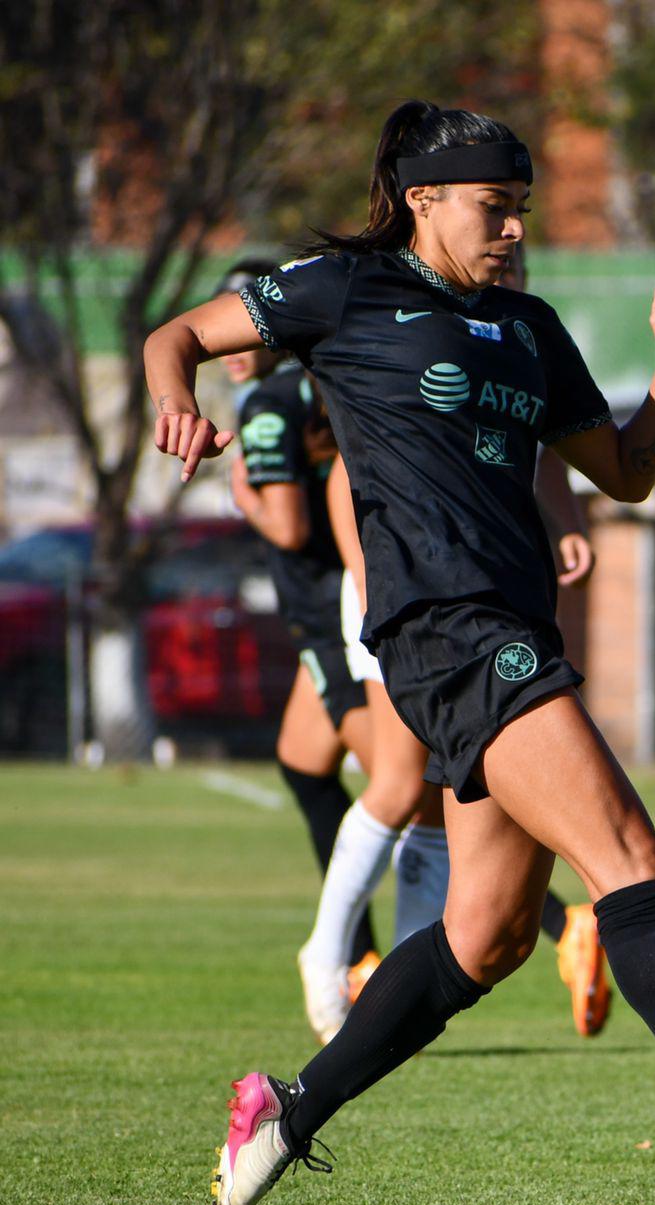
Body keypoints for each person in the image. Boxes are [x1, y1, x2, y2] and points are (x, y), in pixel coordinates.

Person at [144, 98, 655, 1205]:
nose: (514, 229)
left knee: (485, 937)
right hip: (446, 630)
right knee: (628, 853)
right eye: (495, 207)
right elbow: (172, 337)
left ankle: (284, 1111)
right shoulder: (341, 290)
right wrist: (174, 405)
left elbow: (626, 470)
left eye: (523, 210)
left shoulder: (529, 329)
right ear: (423, 200)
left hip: (513, 624)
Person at [299, 445, 609, 1043]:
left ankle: (401, 998)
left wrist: (567, 521)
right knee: (396, 783)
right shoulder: (414, 353)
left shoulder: (527, 348)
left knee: (435, 791)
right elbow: (348, 466)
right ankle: (325, 955)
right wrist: (369, 581)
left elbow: (547, 436)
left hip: (482, 587)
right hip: (400, 583)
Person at [219, 259, 381, 985]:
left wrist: (242, 494)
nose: (227, 342)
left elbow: (285, 526)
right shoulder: (327, 385)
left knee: (407, 789)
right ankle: (361, 955)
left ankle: (562, 921)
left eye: (236, 321)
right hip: (337, 602)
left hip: (328, 614)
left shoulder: (266, 406)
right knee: (305, 767)